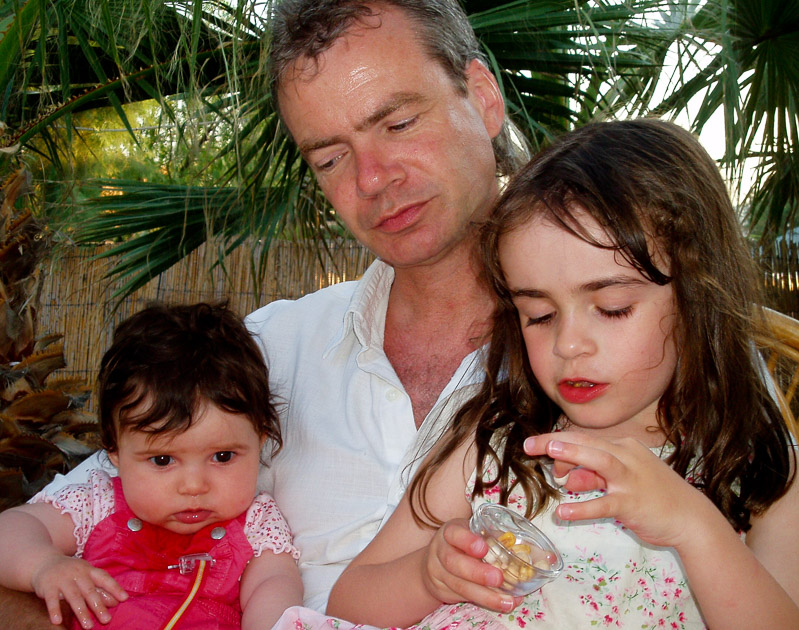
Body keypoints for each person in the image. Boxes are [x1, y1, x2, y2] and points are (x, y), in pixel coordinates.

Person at [0, 1, 526, 625]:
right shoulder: (261, 355)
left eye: (399, 123)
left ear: (483, 98)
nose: (371, 178)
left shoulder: (594, 364)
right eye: (329, 158)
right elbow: (48, 539)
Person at [324, 119, 799, 629]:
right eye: (539, 315)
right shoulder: (496, 442)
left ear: (698, 298)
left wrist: (694, 526)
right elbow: (349, 600)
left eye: (612, 308)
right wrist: (427, 578)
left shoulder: (757, 467)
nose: (567, 344)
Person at [0, 302, 303, 629]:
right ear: (114, 450)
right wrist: (43, 565)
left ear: (260, 439)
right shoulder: (97, 504)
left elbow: (274, 586)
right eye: (162, 460)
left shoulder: (257, 525)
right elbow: (12, 528)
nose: (194, 486)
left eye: (223, 456)